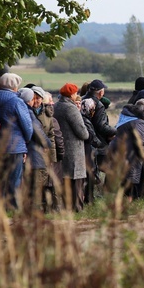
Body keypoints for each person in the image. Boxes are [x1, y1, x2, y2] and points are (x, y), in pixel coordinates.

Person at [0, 72, 33, 209]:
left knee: (0, 179)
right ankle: (13, 208)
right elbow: (27, 126)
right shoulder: (17, 101)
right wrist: (26, 140)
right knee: (14, 180)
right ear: (15, 86)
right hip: (15, 146)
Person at [53, 83, 88, 211]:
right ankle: (77, 209)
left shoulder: (56, 106)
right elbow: (83, 133)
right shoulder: (71, 108)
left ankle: (65, 208)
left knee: (64, 180)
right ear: (72, 94)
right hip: (74, 150)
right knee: (76, 182)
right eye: (75, 93)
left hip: (61, 148)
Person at [107, 99, 144, 198]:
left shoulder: (125, 118)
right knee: (129, 185)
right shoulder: (139, 123)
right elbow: (140, 143)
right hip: (131, 157)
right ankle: (127, 208)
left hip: (119, 154)